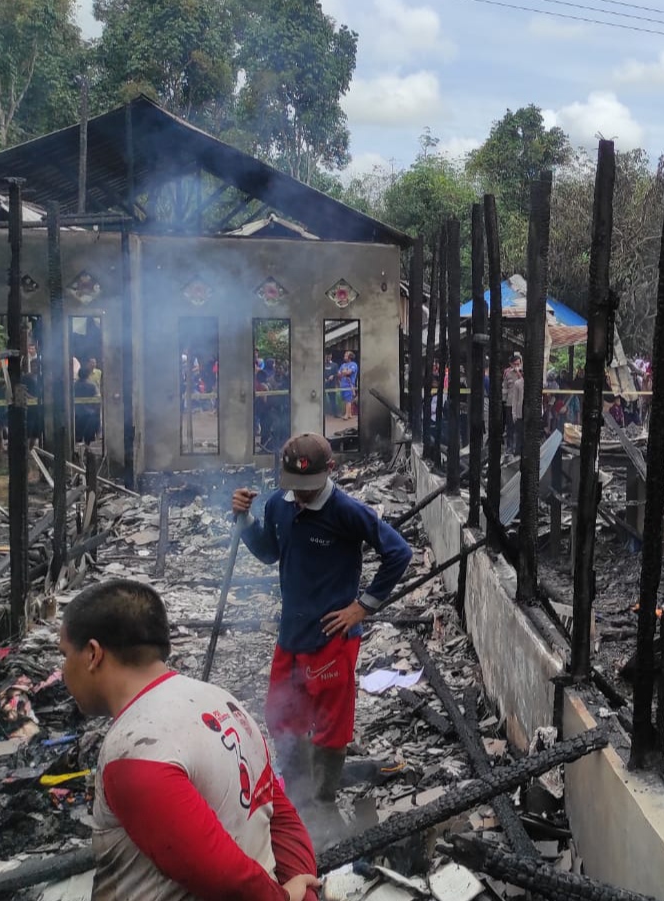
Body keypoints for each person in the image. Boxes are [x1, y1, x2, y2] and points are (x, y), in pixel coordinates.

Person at [59, 579, 321, 901]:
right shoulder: (223, 703)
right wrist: (301, 889)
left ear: (93, 654)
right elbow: (276, 812)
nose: (62, 671)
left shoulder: (135, 750)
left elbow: (227, 879)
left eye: (64, 655)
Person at [232, 434, 413, 834]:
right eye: (291, 487)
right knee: (282, 715)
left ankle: (321, 803)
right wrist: (245, 519)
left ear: (329, 471)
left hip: (331, 640)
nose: (297, 497)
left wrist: (362, 606)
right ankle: (296, 794)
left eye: (305, 488)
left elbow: (399, 552)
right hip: (291, 633)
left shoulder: (346, 511)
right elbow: (268, 551)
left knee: (331, 723)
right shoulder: (280, 503)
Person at [75, 366, 101, 447]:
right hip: (90, 415)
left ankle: (78, 455)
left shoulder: (74, 386)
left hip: (76, 415)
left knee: (77, 438)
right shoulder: (92, 386)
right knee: (89, 438)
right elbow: (98, 399)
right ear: (88, 375)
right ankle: (87, 452)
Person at [338, 351, 359, 420]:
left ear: (350, 357)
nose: (344, 356)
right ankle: (349, 414)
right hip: (342, 384)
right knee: (345, 400)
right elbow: (339, 374)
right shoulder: (343, 365)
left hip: (349, 385)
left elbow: (349, 372)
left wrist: (344, 372)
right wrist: (344, 372)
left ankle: (346, 415)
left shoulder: (353, 364)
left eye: (346, 355)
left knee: (348, 400)